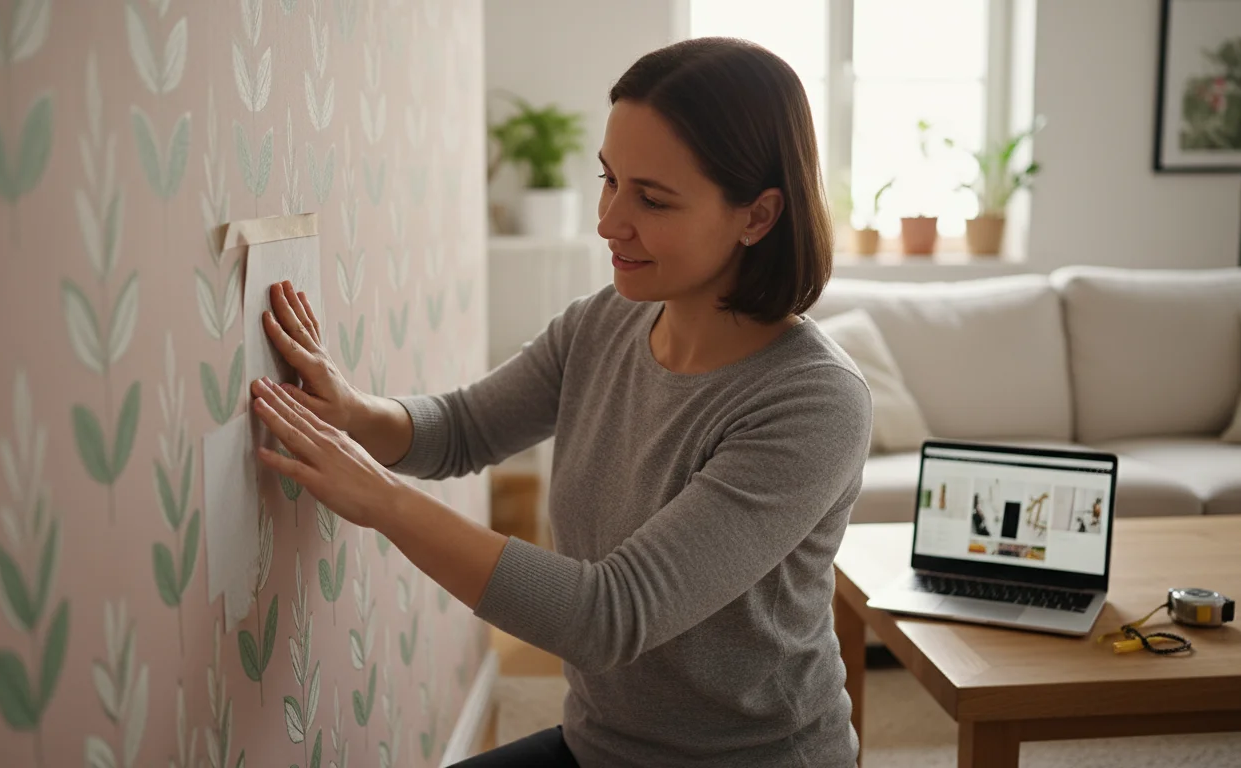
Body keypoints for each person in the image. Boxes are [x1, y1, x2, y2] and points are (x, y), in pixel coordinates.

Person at [248, 37, 873, 768]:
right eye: (611, 181)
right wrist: (355, 411)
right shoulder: (603, 321)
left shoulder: (815, 402)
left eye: (652, 198)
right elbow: (462, 430)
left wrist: (381, 500)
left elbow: (609, 615)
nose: (609, 221)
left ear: (758, 217)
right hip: (601, 746)